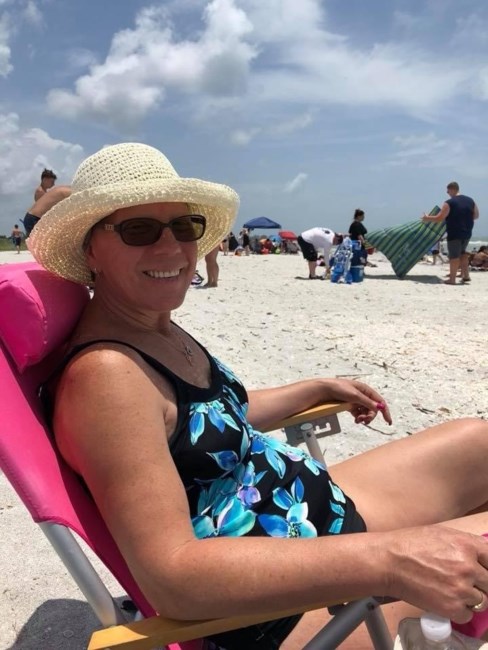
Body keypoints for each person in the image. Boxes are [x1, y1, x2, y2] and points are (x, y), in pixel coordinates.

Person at [28, 143, 488, 650]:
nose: (171, 247)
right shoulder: (108, 378)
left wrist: (314, 387)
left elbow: (207, 421)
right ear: (90, 250)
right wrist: (390, 559)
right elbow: (173, 577)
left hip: (310, 519)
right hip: (280, 607)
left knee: (478, 442)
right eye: (139, 230)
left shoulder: (150, 328)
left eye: (184, 226)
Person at [422, 182, 479, 285]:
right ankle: (466, 276)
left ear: (452, 189)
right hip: (467, 231)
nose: (447, 193)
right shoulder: (471, 200)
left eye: (448, 191)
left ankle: (452, 279)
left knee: (454, 256)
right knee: (463, 253)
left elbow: (439, 218)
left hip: (454, 232)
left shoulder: (449, 202)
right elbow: (476, 216)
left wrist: (427, 218)